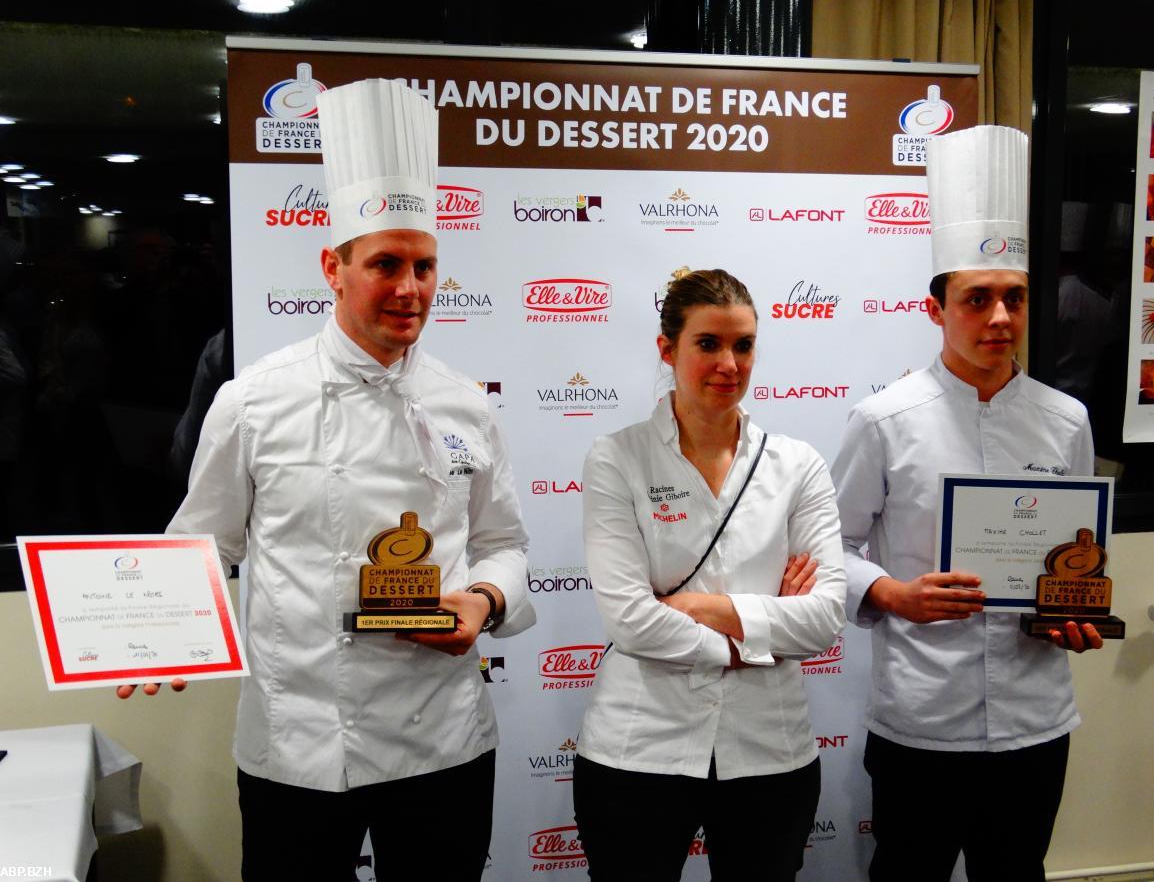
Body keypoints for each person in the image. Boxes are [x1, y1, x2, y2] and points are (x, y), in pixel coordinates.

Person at [120, 79, 534, 882]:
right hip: (300, 744)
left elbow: (503, 542)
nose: (409, 288)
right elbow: (203, 542)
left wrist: (481, 602)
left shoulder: (464, 403)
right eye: (385, 264)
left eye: (424, 265)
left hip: (442, 735)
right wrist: (156, 627)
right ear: (332, 267)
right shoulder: (254, 401)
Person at [830, 125, 1102, 882]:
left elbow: (1075, 559)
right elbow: (827, 552)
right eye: (976, 299)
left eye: (1013, 298)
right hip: (923, 720)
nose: (999, 320)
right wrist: (891, 592)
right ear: (937, 308)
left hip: (1035, 719)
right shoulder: (883, 421)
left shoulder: (1065, 421)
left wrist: (1073, 613)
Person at [573, 269, 847, 882]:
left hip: (770, 752)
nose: (729, 363)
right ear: (668, 349)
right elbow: (630, 619)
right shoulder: (617, 458)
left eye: (743, 345)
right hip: (639, 747)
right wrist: (760, 636)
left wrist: (705, 609)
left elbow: (826, 618)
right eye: (708, 344)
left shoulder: (797, 466)